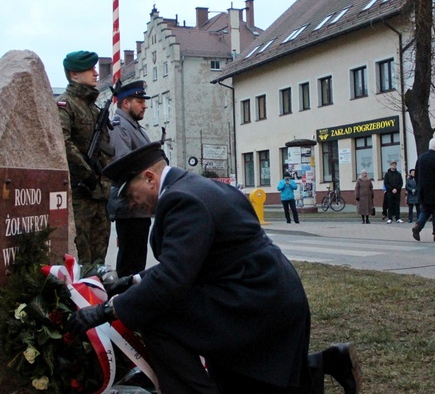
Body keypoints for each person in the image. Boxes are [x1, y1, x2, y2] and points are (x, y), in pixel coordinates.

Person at [68, 142, 362, 393]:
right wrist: (130, 281)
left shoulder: (181, 200)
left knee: (157, 317)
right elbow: (189, 261)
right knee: (246, 382)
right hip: (265, 294)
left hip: (255, 302)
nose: (133, 205)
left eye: (132, 196)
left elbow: (171, 279)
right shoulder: (195, 187)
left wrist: (107, 310)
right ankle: (325, 362)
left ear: (149, 178)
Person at [56, 50, 114, 265]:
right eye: (90, 69)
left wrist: (106, 182)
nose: (96, 74)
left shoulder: (94, 109)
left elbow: (106, 150)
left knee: (98, 259)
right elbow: (64, 143)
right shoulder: (66, 105)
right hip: (80, 192)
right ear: (74, 75)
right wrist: (87, 175)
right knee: (81, 259)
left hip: (99, 195)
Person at [107, 80, 153, 277]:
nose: (144, 105)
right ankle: (124, 302)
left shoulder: (135, 127)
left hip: (139, 206)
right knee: (130, 265)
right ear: (125, 103)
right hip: (130, 204)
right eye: (139, 100)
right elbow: (124, 165)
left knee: (136, 262)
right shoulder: (120, 127)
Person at [411, 139, 435, 242]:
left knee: (426, 210)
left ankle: (418, 226)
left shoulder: (421, 158)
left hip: (423, 191)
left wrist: (420, 187)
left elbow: (416, 175)